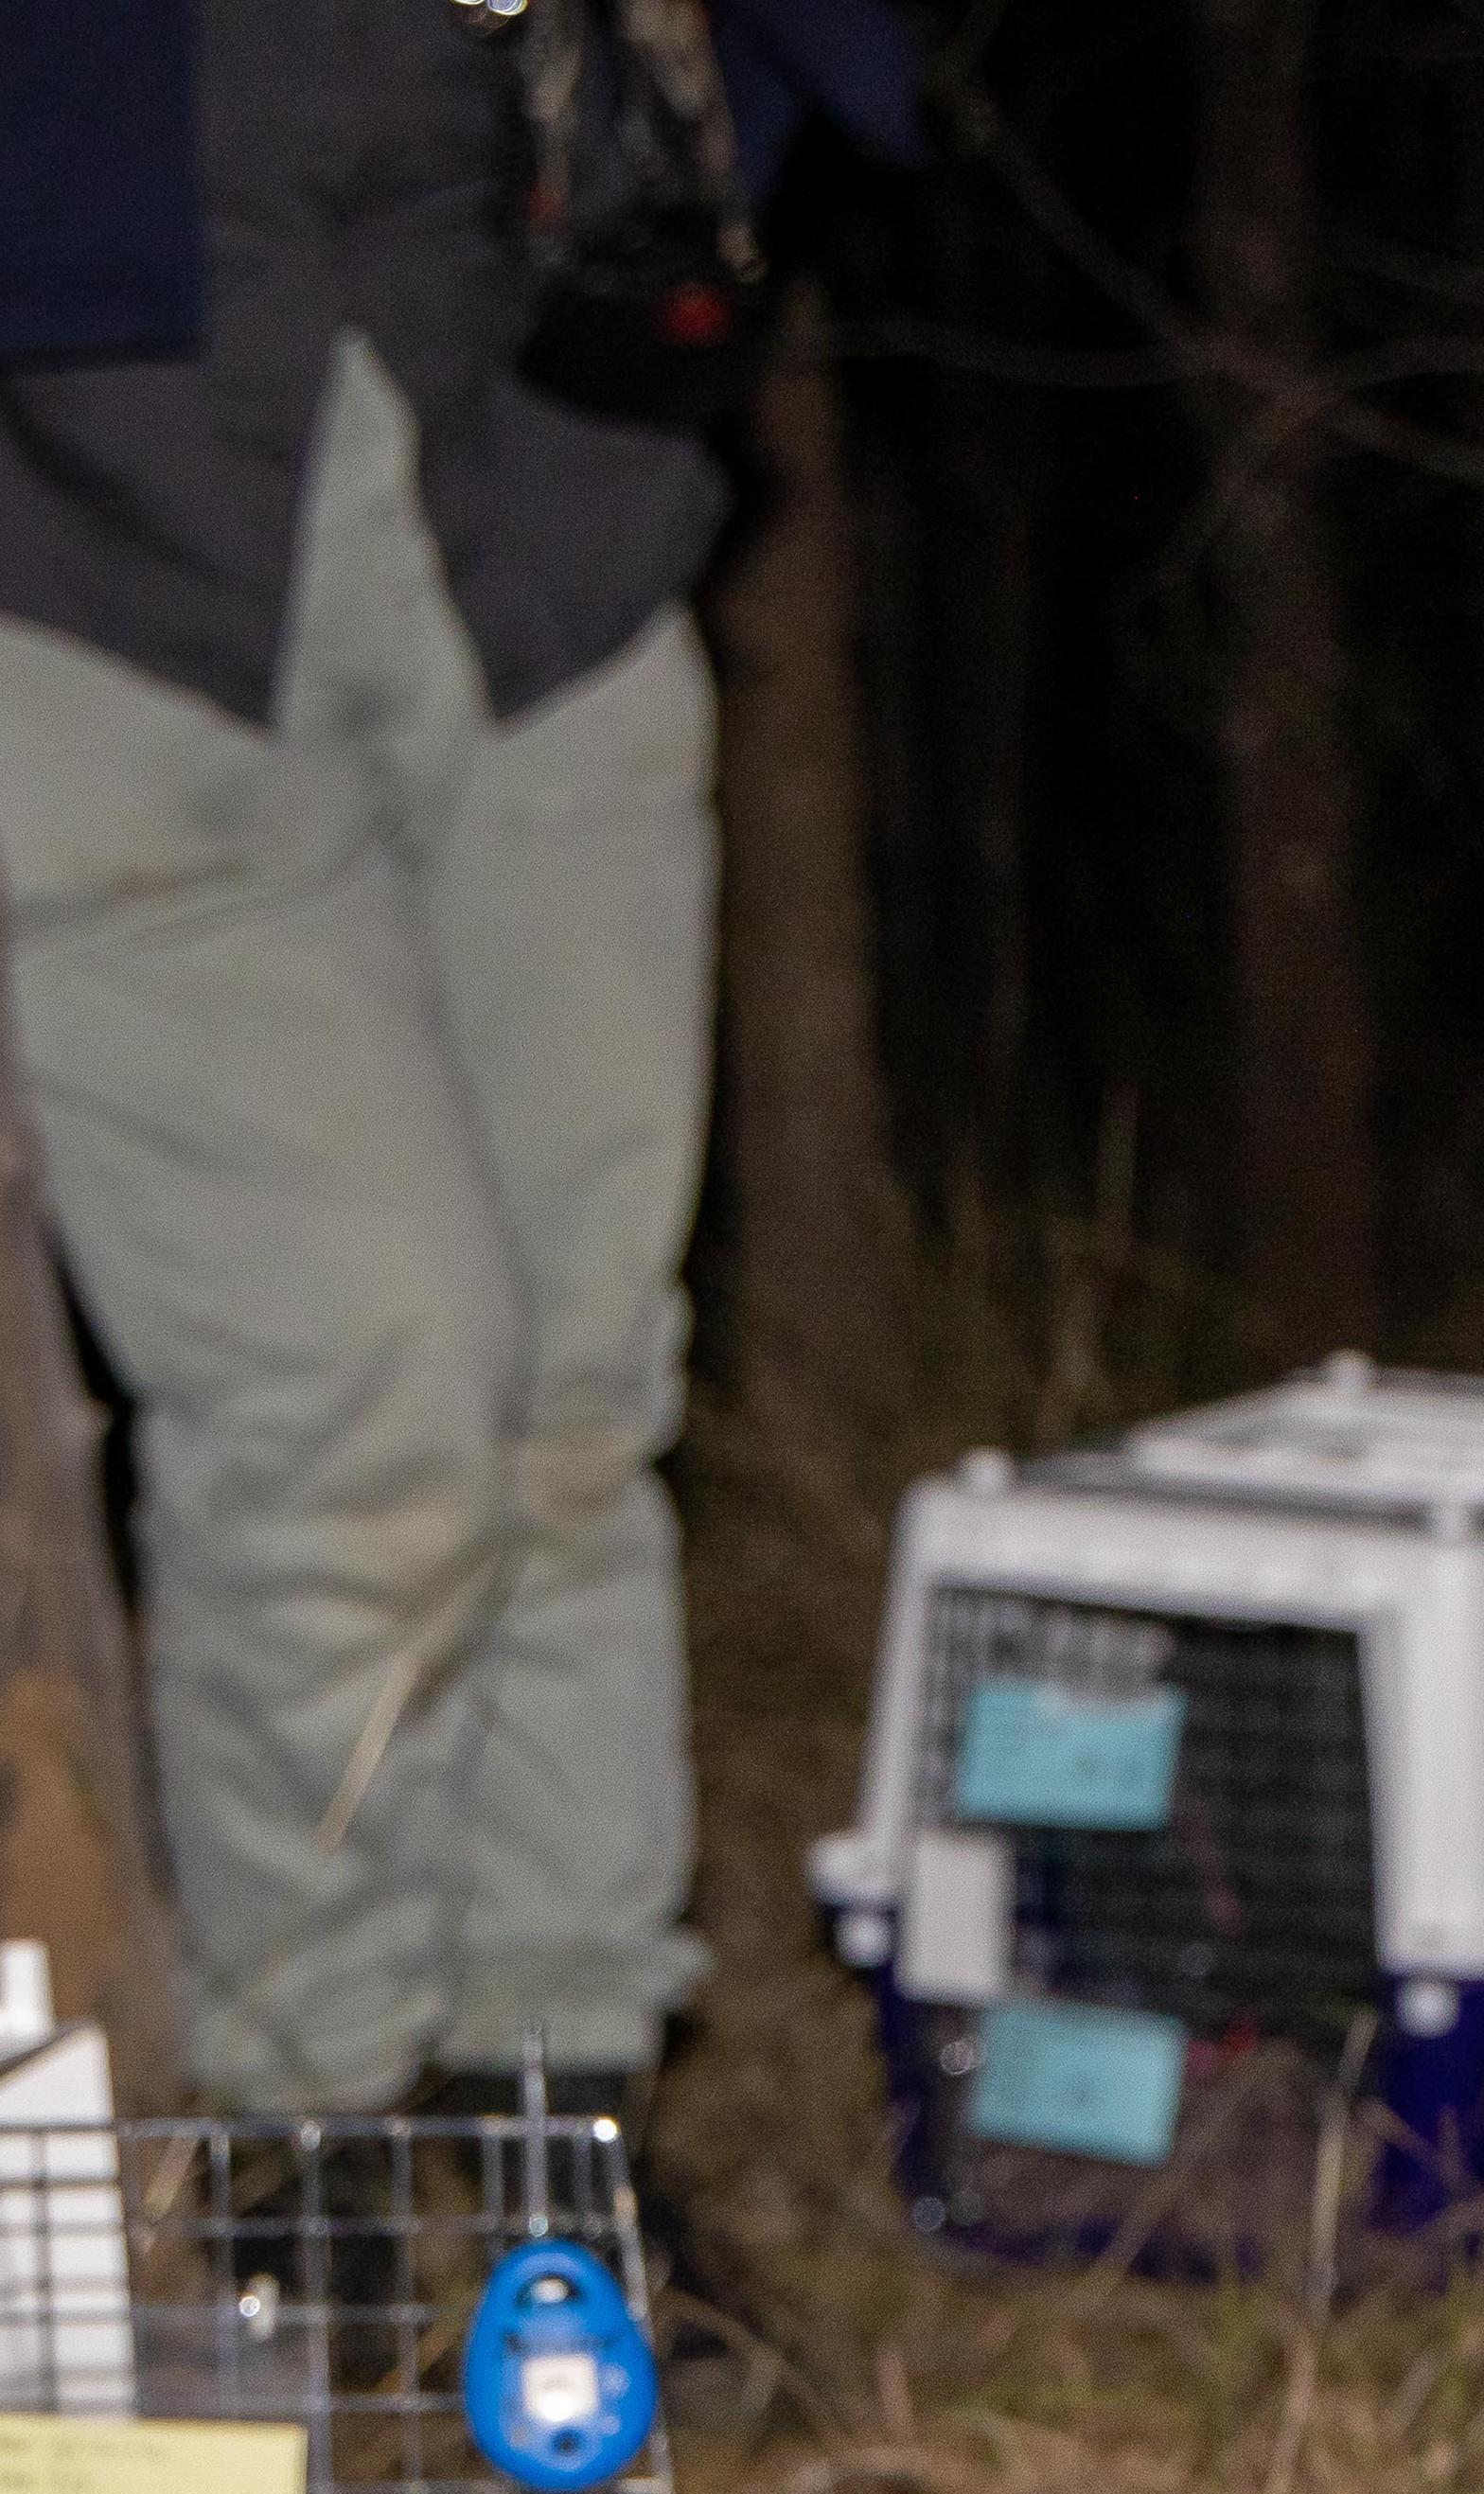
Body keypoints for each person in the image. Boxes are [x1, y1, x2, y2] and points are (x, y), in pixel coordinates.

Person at [0, 0, 912, 2126]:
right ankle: (301, 2155)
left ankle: (558, 2142)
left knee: (582, 1397)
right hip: (91, 538)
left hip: (545, 482)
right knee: (362, 1397)